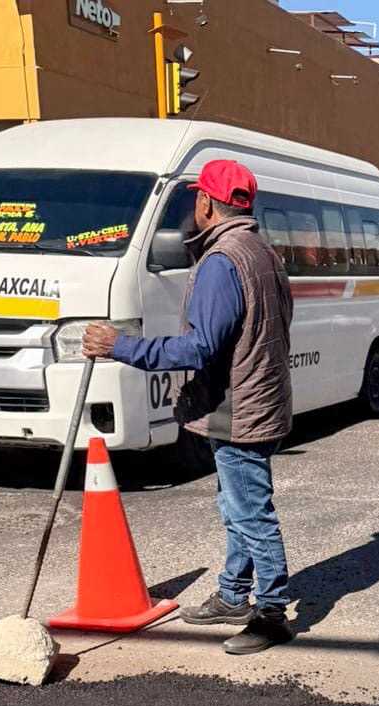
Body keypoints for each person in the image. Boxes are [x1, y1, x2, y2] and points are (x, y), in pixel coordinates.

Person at [81, 159, 294, 655]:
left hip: (239, 408)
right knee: (236, 506)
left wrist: (121, 347)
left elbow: (199, 349)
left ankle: (272, 612)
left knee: (250, 513)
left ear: (204, 203)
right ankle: (234, 594)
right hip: (257, 399)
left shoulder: (223, 261)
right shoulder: (261, 251)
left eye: (195, 199)